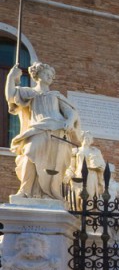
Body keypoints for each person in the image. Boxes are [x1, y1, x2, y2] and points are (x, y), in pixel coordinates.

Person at [5, 62, 80, 199]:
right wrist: (11, 77)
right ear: (37, 75)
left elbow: (71, 112)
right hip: (37, 129)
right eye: (46, 73)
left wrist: (69, 121)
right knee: (29, 154)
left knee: (53, 163)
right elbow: (10, 96)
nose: (50, 77)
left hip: (58, 130)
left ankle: (48, 193)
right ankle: (25, 191)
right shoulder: (29, 92)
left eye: (51, 75)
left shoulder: (55, 95)